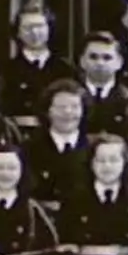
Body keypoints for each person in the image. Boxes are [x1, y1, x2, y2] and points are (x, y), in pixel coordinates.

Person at [22, 81, 93, 217]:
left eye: (75, 107)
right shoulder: (29, 149)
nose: (68, 112)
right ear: (48, 110)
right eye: (61, 107)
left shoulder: (95, 149)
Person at [3, 3, 75, 127]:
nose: (35, 32)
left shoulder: (66, 69)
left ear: (49, 29)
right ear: (18, 32)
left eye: (40, 26)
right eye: (28, 28)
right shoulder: (6, 70)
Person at [74, 31, 128, 140]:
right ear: (82, 61)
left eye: (107, 58)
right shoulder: (66, 96)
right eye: (93, 57)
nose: (100, 63)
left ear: (119, 62)